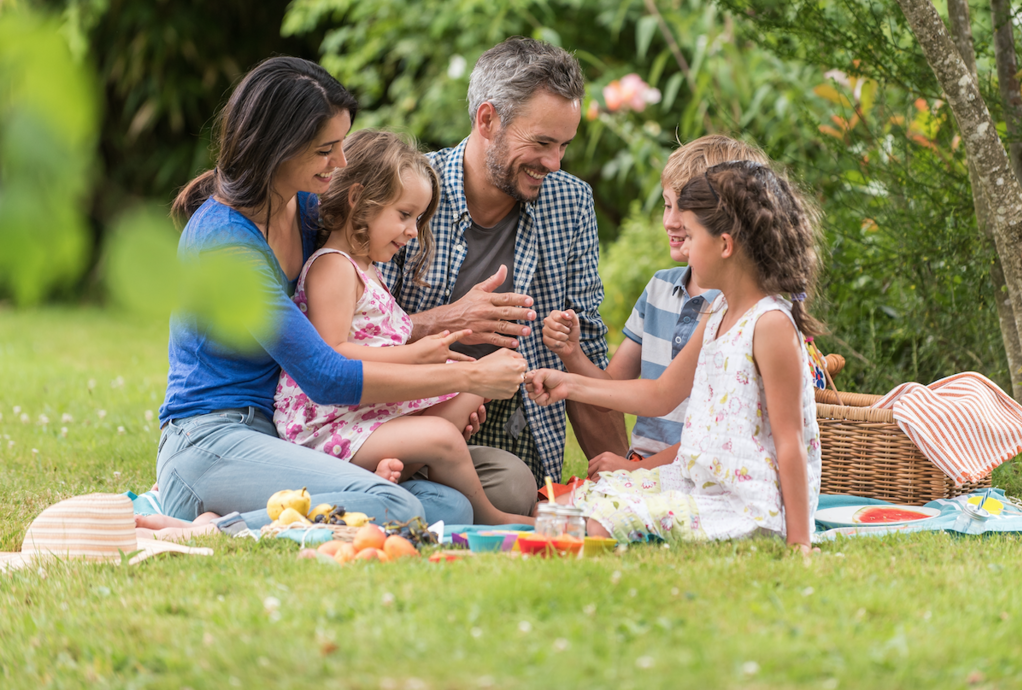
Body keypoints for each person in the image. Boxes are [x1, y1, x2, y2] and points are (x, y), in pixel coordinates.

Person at [156, 56, 528, 531]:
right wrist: (467, 379)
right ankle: (211, 527)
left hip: (286, 437)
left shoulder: (307, 212)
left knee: (451, 508)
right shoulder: (225, 242)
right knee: (398, 509)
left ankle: (318, 498)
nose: (341, 162)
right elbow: (325, 374)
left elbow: (360, 325)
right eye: (325, 149)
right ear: (276, 147)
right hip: (211, 440)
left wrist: (448, 327)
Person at [525, 161, 823, 552]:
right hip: (696, 480)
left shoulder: (769, 325)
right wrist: (568, 383)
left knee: (583, 528)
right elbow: (660, 394)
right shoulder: (719, 313)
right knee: (557, 510)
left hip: (746, 507)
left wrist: (799, 541)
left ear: (725, 245)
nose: (684, 246)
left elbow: (790, 442)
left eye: (693, 235)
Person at [378, 37, 626, 506]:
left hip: (513, 434)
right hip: (397, 422)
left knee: (513, 488)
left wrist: (627, 485)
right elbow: (352, 341)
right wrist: (447, 321)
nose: (553, 164)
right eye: (542, 143)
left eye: (564, 146)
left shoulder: (570, 203)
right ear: (487, 120)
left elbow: (587, 354)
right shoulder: (406, 191)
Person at [273, 130, 533, 526]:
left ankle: (388, 476)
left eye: (418, 218)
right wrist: (415, 355)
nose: (413, 232)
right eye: (404, 215)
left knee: (470, 391)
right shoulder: (333, 267)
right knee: (443, 436)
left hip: (364, 415)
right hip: (328, 426)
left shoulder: (368, 271)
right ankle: (490, 516)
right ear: (358, 200)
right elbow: (331, 354)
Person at [541, 135, 770, 476]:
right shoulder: (659, 289)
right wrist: (571, 353)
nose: (671, 221)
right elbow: (614, 391)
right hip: (644, 465)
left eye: (685, 210)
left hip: (696, 469)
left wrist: (639, 470)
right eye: (667, 205)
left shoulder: (736, 310)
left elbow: (714, 436)